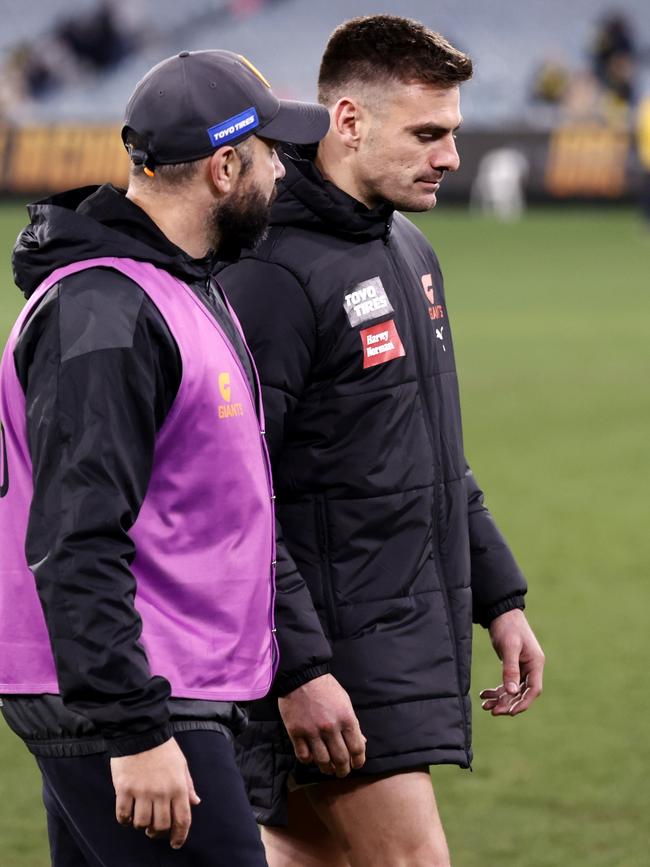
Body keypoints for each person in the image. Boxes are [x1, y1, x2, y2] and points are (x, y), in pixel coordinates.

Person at [217, 15, 546, 867]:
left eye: (454, 134)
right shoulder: (272, 271)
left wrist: (499, 596)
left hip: (394, 626)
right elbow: (232, 492)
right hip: (329, 646)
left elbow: (428, 450)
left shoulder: (410, 249)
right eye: (428, 134)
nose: (450, 157)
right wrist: (295, 668)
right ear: (349, 121)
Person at [0, 49, 334, 866]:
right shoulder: (107, 309)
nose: (284, 178)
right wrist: (134, 729)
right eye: (270, 158)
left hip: (159, 681)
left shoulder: (177, 289)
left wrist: (297, 661)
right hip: (139, 694)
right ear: (224, 167)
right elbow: (74, 536)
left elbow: (232, 506)